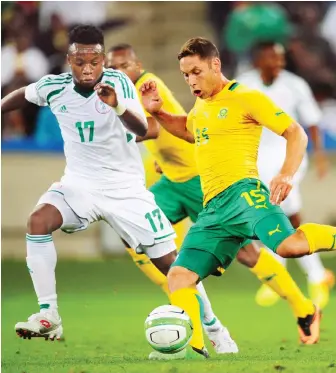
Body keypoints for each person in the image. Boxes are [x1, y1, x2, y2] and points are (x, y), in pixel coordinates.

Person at [107, 43, 326, 356]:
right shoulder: (201, 104)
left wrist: (286, 174)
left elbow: (295, 132)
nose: (192, 80)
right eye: (186, 75)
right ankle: (194, 334)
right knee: (158, 255)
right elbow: (188, 129)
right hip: (187, 190)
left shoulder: (153, 86)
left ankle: (301, 307)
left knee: (269, 250)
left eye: (196, 71)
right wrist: (157, 118)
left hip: (222, 187)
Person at [1, 24, 180, 342]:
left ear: (102, 60)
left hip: (125, 188)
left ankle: (212, 327)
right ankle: (49, 315)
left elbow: (140, 127)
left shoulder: (119, 82)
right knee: (38, 221)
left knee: (171, 265)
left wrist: (117, 105)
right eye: (80, 61)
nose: (87, 68)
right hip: (80, 185)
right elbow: (24, 95)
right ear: (69, 59)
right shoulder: (53, 86)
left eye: (94, 61)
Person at [237, 41, 334, 310]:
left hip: (288, 156)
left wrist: (320, 156)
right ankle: (316, 275)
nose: (277, 63)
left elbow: (311, 121)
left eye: (280, 58)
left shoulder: (295, 84)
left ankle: (288, 276)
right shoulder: (244, 84)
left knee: (276, 210)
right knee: (284, 216)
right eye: (271, 58)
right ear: (258, 61)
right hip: (256, 156)